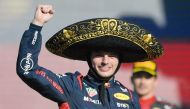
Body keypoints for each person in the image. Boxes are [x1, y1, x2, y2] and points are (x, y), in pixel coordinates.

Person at [16, 5, 163, 109]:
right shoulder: (71, 86)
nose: (105, 61)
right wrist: (36, 25)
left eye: (112, 56)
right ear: (89, 58)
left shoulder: (131, 98)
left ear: (120, 60)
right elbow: (27, 70)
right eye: (99, 55)